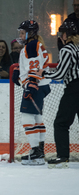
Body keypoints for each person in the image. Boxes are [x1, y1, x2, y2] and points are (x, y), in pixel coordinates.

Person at [35, 21, 79, 169]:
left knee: (61, 123)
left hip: (74, 89)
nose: (60, 36)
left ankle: (63, 156)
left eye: (62, 33)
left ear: (66, 35)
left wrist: (43, 73)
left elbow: (60, 74)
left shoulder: (67, 49)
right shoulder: (78, 48)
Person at [15, 20, 51, 165]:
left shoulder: (31, 45)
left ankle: (36, 151)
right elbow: (32, 64)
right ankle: (39, 151)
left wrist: (30, 84)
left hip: (35, 86)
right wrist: (19, 72)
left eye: (23, 32)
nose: (20, 35)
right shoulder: (34, 45)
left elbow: (35, 67)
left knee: (27, 119)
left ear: (31, 33)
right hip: (40, 86)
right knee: (36, 118)